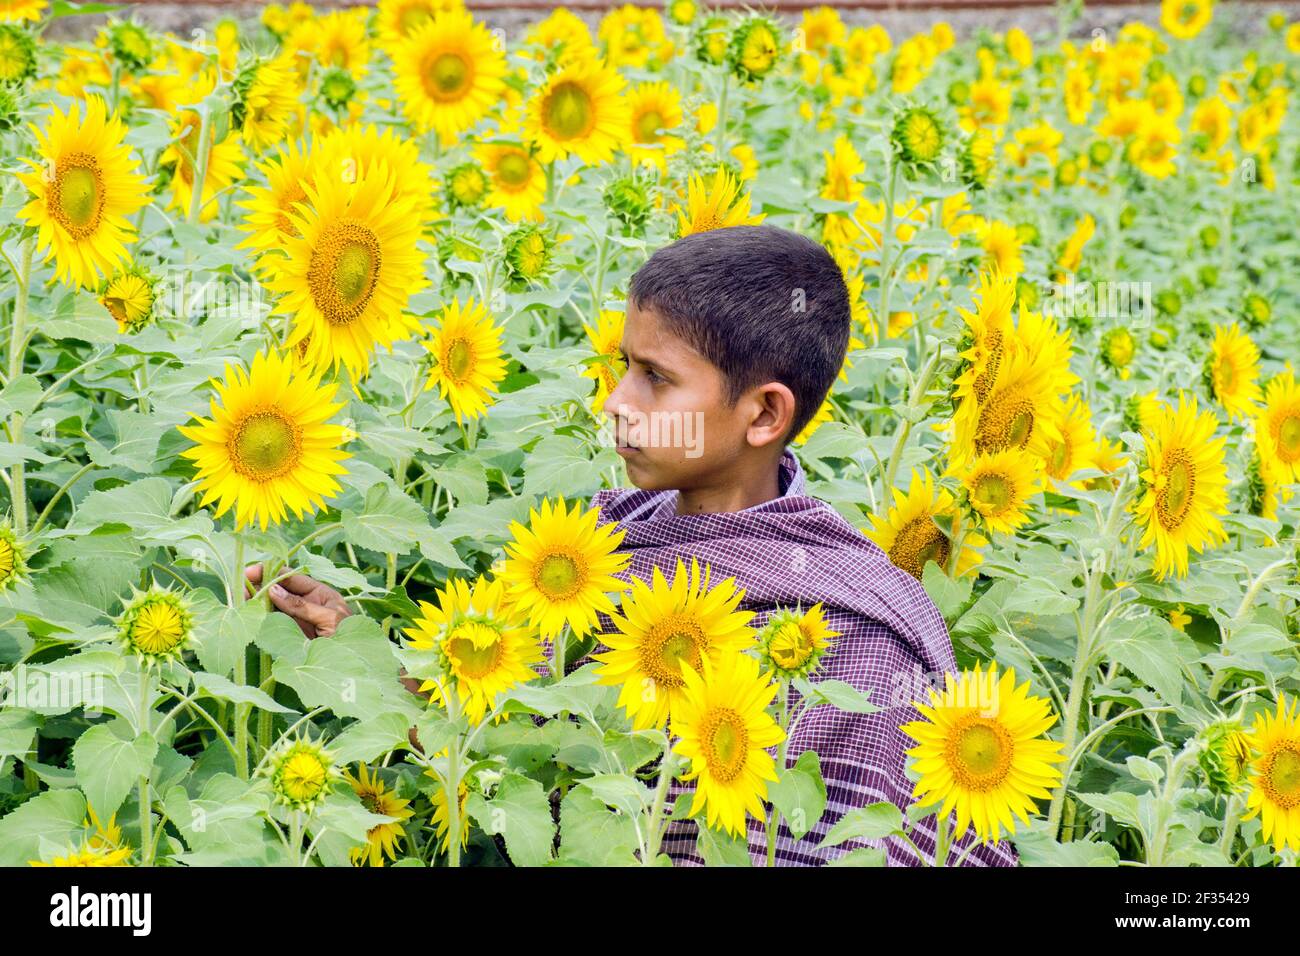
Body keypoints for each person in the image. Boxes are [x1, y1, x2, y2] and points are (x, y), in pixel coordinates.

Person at [247, 224, 1019, 867]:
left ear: (763, 415)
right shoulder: (603, 541)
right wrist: (363, 654)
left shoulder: (855, 628)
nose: (615, 403)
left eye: (655, 377)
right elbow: (496, 738)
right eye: (624, 367)